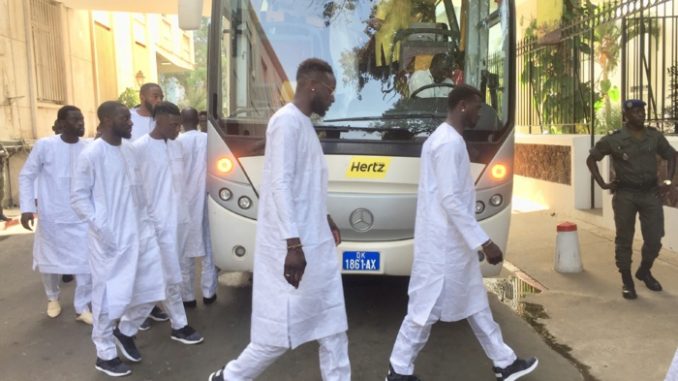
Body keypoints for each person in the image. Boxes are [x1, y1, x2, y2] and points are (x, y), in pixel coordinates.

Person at [207, 58, 350, 381]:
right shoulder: (285, 123)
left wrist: (324, 216)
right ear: (313, 85)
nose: (332, 98)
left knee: (332, 326)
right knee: (277, 333)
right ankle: (230, 377)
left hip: (314, 241)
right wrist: (293, 244)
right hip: (295, 244)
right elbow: (280, 184)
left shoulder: (302, 124)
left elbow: (304, 185)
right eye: (330, 90)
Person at [385, 85, 538, 381]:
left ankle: (504, 362)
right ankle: (399, 368)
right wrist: (485, 241)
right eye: (477, 107)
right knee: (424, 310)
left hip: (452, 244)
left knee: (475, 303)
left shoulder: (448, 140)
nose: (480, 113)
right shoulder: (447, 143)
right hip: (442, 247)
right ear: (462, 106)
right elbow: (450, 199)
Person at [71, 101, 167, 377]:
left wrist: (148, 223)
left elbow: (139, 191)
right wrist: (103, 229)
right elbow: (78, 198)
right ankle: (104, 353)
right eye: (125, 118)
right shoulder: (91, 154)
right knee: (106, 298)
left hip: (141, 232)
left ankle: (126, 332)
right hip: (110, 239)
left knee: (152, 287)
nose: (131, 122)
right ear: (107, 120)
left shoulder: (129, 150)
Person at [586, 99, 676, 300]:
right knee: (624, 239)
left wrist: (668, 181)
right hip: (625, 195)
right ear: (626, 116)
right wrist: (603, 184)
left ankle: (644, 271)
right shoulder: (614, 139)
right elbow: (592, 159)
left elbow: (671, 155)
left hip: (650, 194)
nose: (641, 115)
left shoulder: (654, 136)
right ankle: (627, 280)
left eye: (642, 111)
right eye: (635, 112)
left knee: (654, 239)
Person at [130, 101, 204, 344]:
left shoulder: (178, 146)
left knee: (171, 274)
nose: (177, 129)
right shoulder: (139, 148)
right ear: (158, 121)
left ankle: (131, 323)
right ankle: (177, 325)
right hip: (156, 224)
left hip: (180, 220)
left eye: (179, 125)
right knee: (168, 275)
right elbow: (133, 190)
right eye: (173, 125)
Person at [18, 105, 93, 323]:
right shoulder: (45, 146)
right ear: (61, 123)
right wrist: (27, 208)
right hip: (52, 214)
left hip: (80, 217)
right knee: (49, 260)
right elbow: (27, 176)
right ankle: (52, 298)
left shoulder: (88, 147)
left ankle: (82, 307)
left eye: (81, 119)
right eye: (75, 120)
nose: (81, 123)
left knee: (84, 261)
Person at [177, 108, 218, 308]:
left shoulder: (175, 142)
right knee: (209, 247)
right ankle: (209, 292)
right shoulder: (208, 140)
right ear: (197, 120)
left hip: (183, 203)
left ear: (181, 121)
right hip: (206, 199)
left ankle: (188, 297)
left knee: (185, 251)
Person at [0, 143, 8, 222]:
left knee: (1, 194)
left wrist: (2, 153)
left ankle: (1, 214)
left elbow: (6, 153)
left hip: (1, 172)